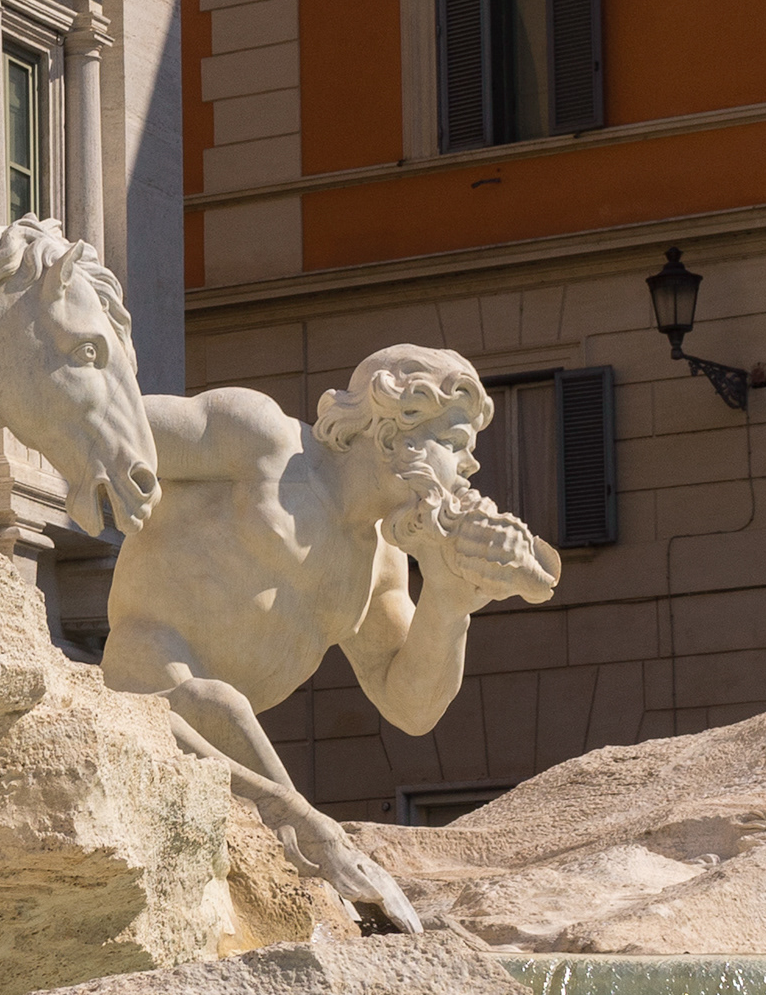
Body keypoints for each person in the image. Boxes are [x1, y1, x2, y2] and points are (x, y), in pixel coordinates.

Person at [100, 343, 558, 934]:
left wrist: (448, 599)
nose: (469, 469)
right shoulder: (262, 441)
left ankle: (320, 860)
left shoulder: (382, 561)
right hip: (143, 678)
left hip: (215, 735)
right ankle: (323, 853)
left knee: (223, 710)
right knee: (219, 704)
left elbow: (410, 706)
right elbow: (111, 423)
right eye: (457, 445)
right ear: (396, 432)